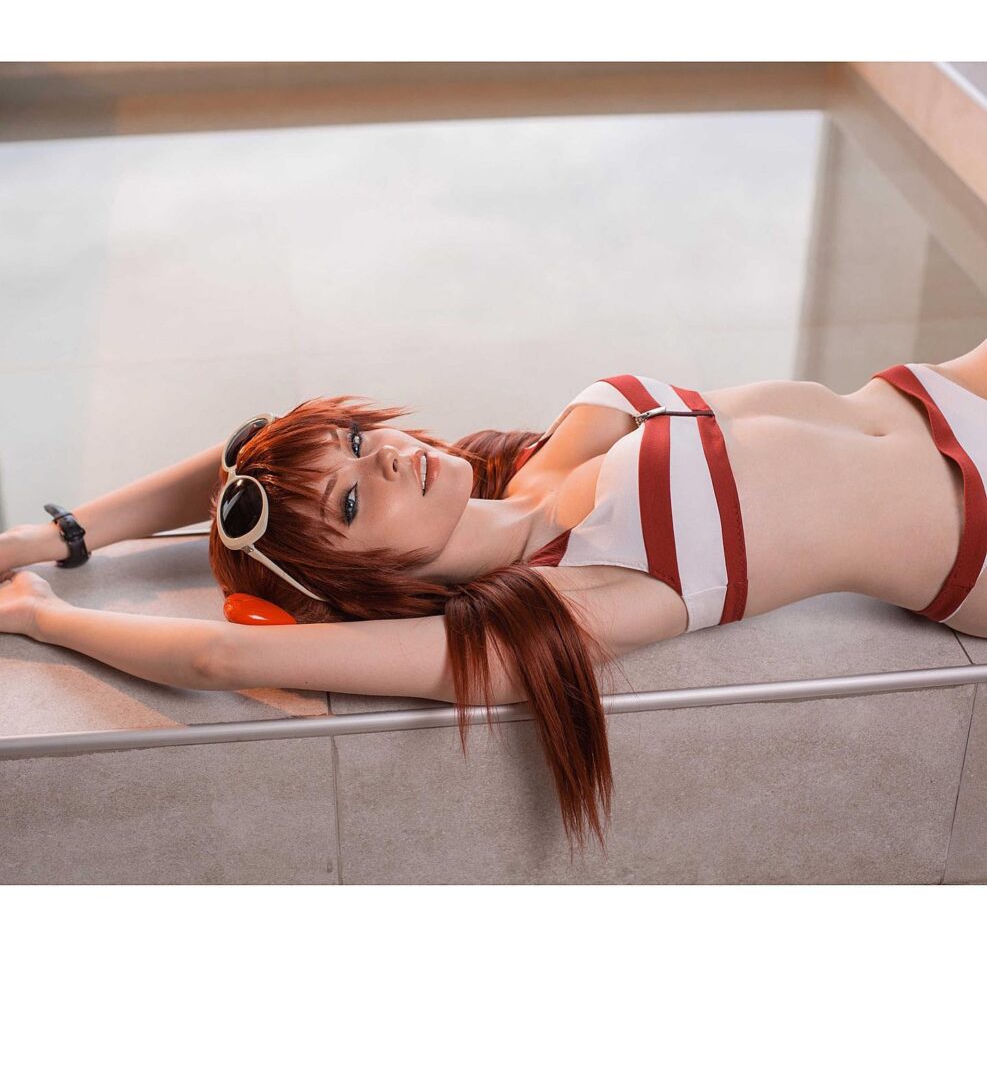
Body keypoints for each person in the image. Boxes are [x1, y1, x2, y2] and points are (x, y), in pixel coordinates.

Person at [3, 338, 987, 850]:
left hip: (946, 388)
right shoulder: (574, 597)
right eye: (354, 500)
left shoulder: (534, 462)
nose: (385, 457)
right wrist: (42, 614)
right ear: (359, 588)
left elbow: (245, 452)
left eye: (357, 442)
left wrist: (55, 536)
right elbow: (222, 654)